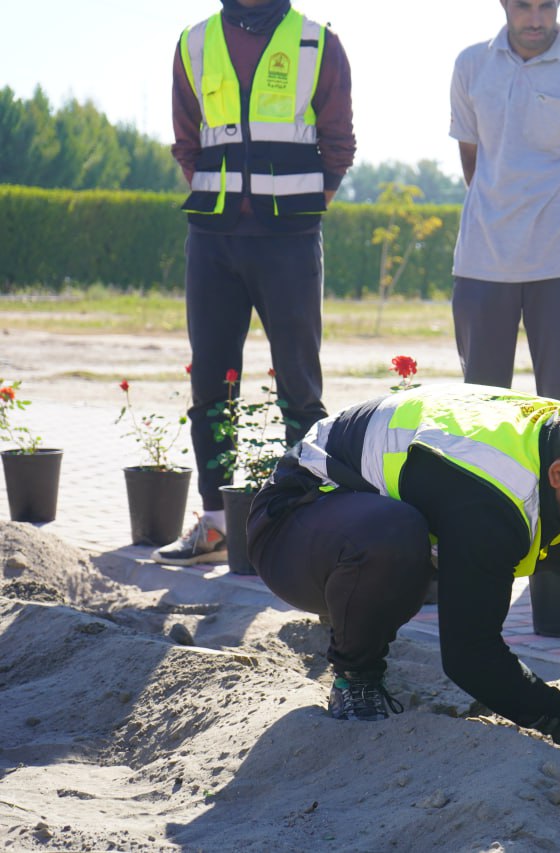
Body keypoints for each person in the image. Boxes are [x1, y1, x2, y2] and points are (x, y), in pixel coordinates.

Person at [246, 384, 560, 778]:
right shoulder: (490, 495)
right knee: (393, 538)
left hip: (375, 511)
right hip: (296, 524)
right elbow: (470, 655)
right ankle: (356, 677)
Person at [156, 0, 355, 566]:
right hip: (213, 238)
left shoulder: (317, 42)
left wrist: (311, 206)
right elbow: (186, 137)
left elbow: (339, 139)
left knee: (299, 380)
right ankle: (215, 524)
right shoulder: (194, 43)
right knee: (211, 382)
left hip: (289, 238)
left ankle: (307, 522)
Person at [448, 0, 560, 405]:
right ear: (504, 5)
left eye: (546, 6)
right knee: (481, 406)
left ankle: (557, 471)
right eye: (523, 6)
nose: (535, 18)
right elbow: (474, 165)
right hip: (482, 265)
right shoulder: (470, 65)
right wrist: (505, 219)